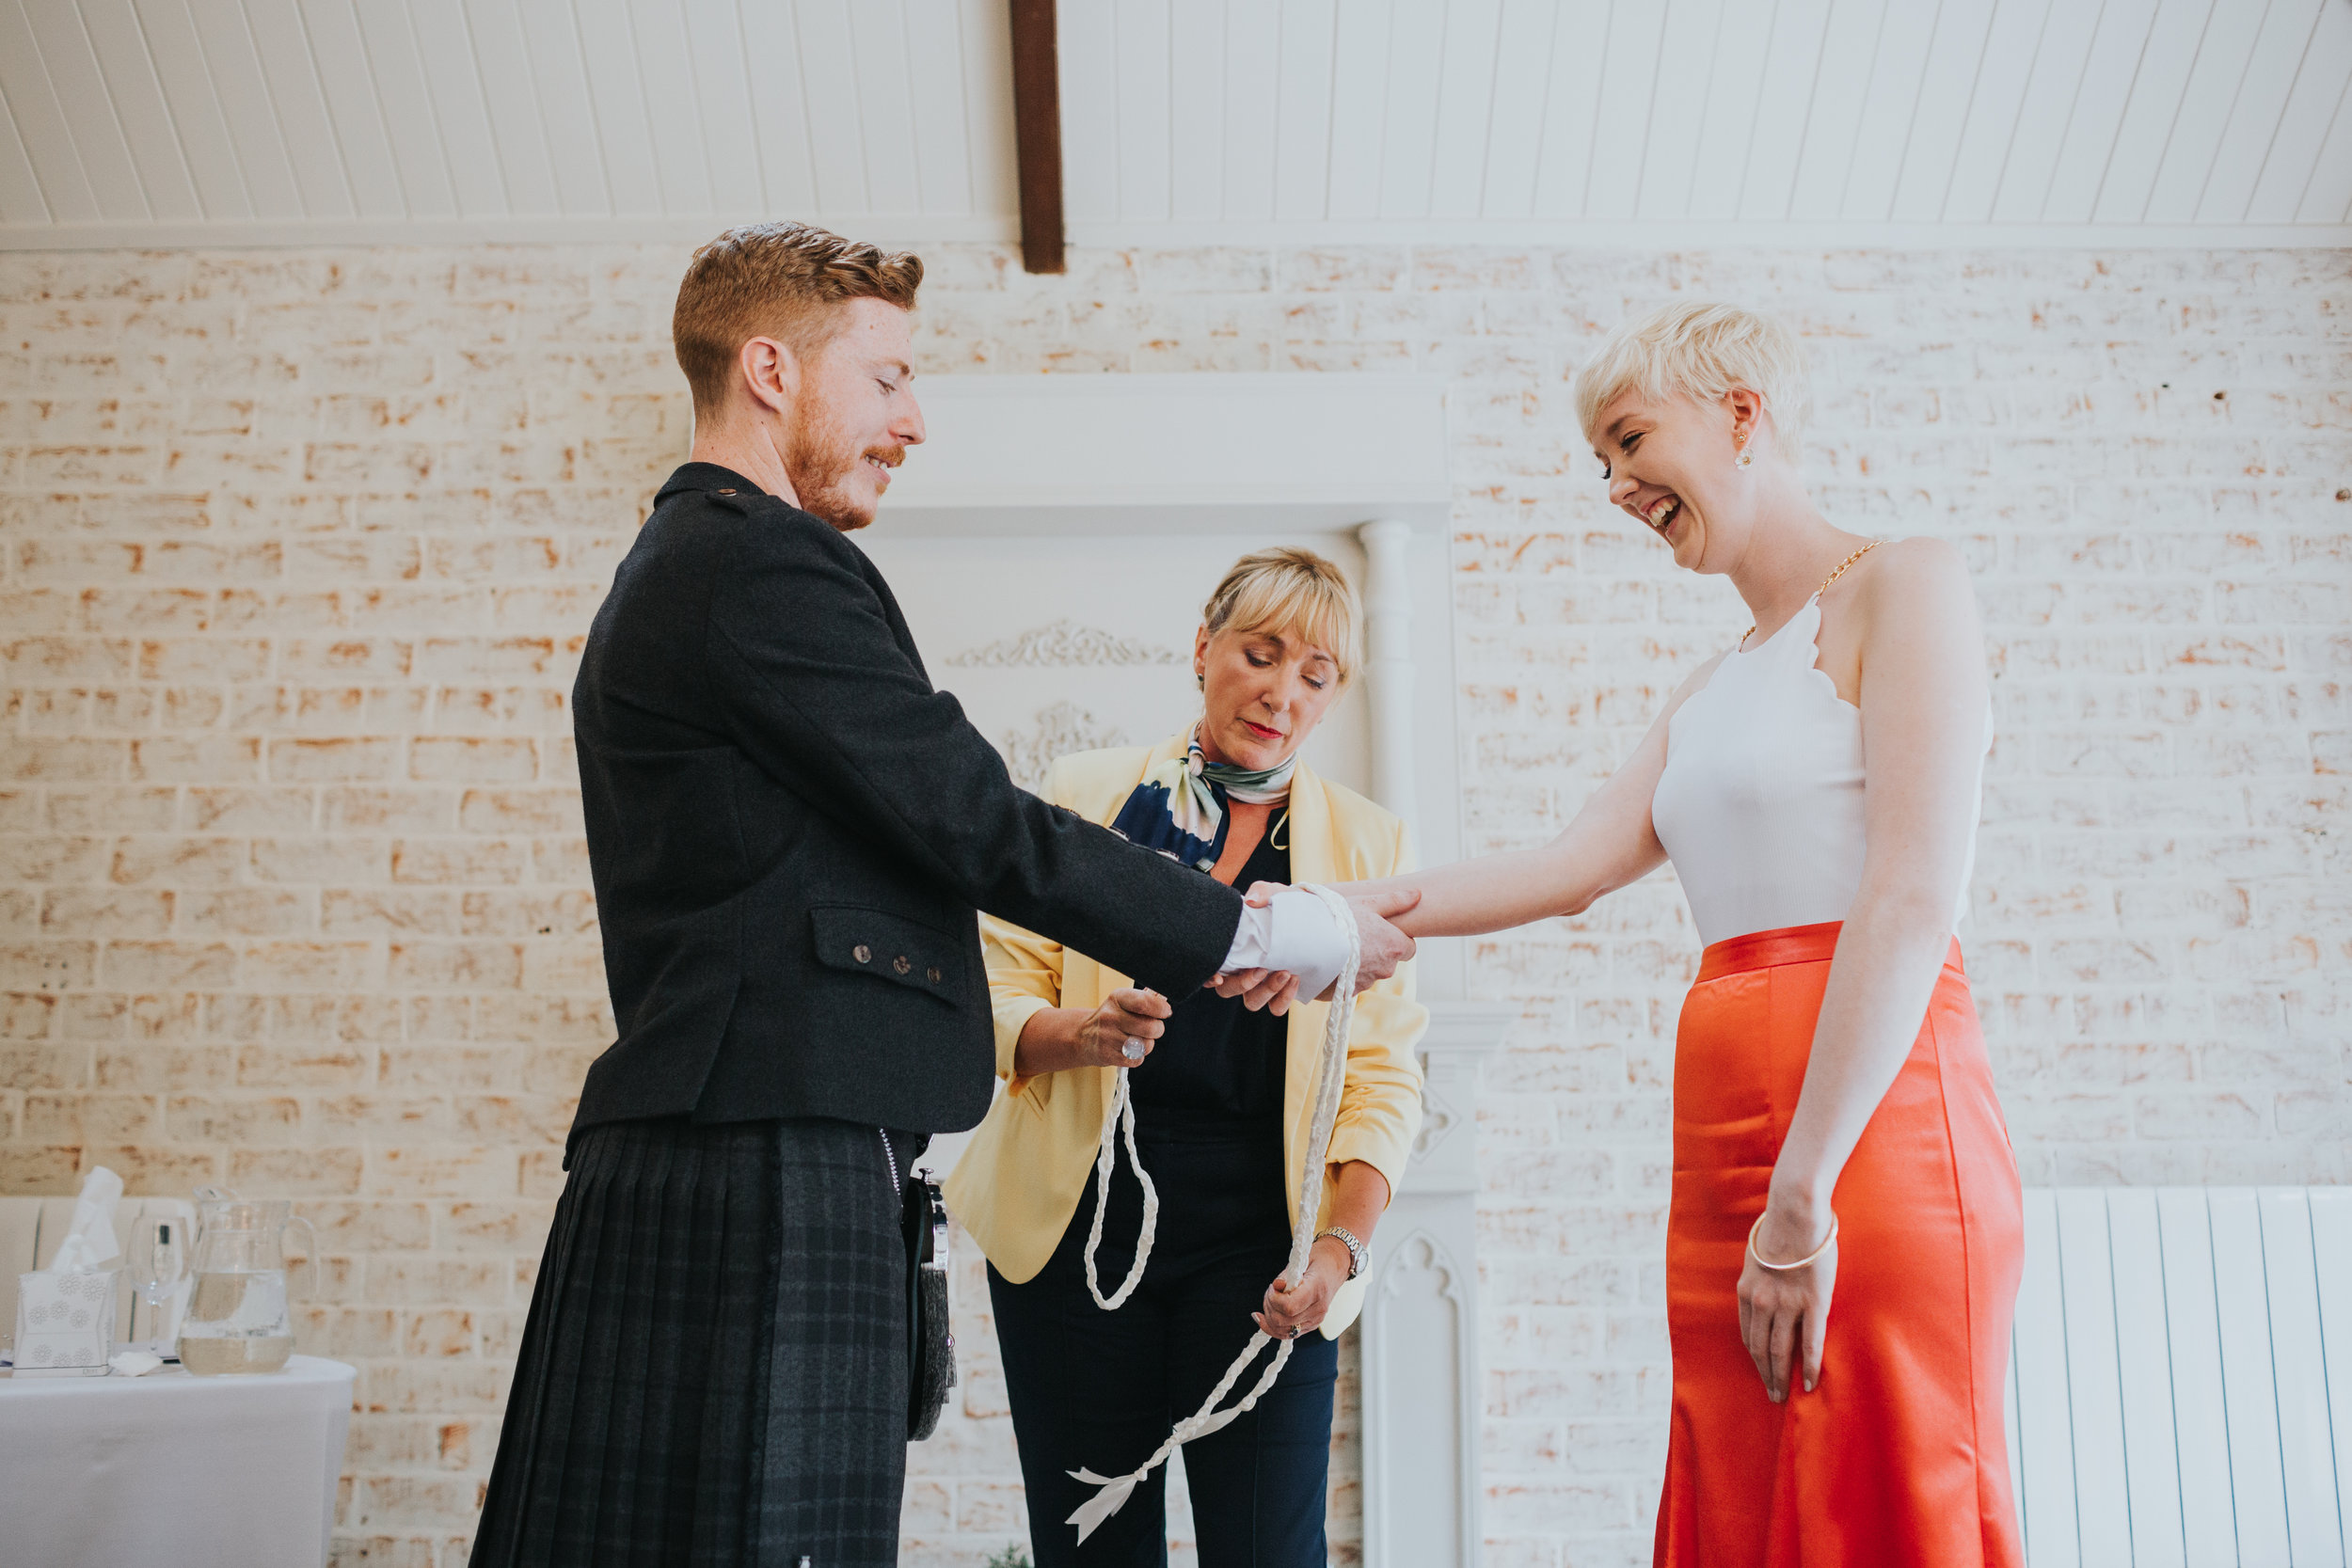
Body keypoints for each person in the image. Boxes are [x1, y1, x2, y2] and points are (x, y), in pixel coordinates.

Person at [469, 223, 1420, 1568]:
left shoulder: (696, 563)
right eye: (890, 378)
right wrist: (1269, 924)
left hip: (754, 1133)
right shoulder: (759, 562)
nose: (915, 419)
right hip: (758, 1154)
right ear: (771, 371)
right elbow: (976, 820)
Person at [1245, 301, 2023, 1566]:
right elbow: (1564, 868)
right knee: (1740, 1480)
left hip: (1870, 1128)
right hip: (1725, 1135)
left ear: (1741, 411)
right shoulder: (1715, 687)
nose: (1612, 486)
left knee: (1876, 1475)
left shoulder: (1910, 581)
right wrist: (1323, 920)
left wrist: (1802, 1192)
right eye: (1596, 462)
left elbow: (1912, 896)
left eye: (1627, 439)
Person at [947, 549, 1428, 1566]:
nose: (1281, 692)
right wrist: (1077, 1035)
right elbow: (988, 992)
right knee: (1092, 1553)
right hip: (1076, 1238)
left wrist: (1340, 1250)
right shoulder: (1084, 794)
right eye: (1259, 653)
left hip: (1267, 1248)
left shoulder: (1367, 843)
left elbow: (1382, 1075)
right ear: (1203, 648)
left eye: (1315, 674)